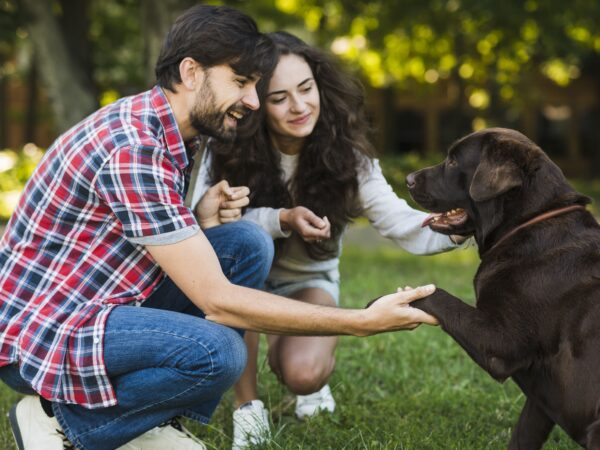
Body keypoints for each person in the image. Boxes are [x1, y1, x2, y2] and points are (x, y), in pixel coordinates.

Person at [0, 6, 440, 450]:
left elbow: (135, 242)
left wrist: (200, 219)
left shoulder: (172, 131)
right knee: (219, 352)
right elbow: (218, 301)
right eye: (242, 82)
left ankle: (149, 418)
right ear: (192, 72)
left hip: (101, 301)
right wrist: (363, 321)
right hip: (43, 332)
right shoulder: (135, 148)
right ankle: (64, 422)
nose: (252, 101)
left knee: (246, 242)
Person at [191, 31, 466, 449]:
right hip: (241, 281)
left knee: (303, 375)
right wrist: (281, 218)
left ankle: (299, 367)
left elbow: (399, 222)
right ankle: (248, 409)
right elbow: (198, 223)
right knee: (244, 250)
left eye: (306, 89)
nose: (300, 106)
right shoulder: (224, 149)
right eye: (280, 98)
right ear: (254, 104)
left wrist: (458, 225)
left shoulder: (348, 158)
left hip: (308, 282)